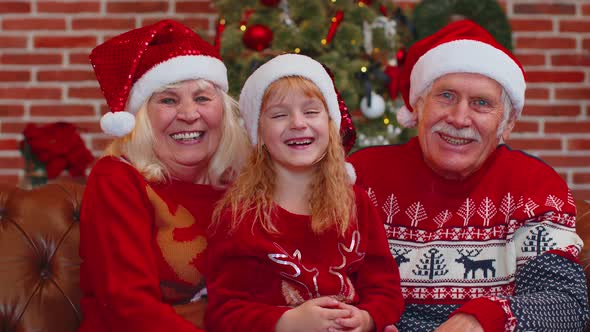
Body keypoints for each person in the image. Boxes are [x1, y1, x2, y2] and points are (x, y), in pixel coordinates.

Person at [348, 19, 589, 332]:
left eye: (481, 103)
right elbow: (309, 275)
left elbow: (565, 304)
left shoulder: (533, 187)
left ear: (508, 122)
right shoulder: (361, 176)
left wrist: (483, 320)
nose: (460, 118)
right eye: (446, 96)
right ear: (418, 105)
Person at [204, 53, 404, 332]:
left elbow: (386, 290)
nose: (298, 123)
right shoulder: (239, 216)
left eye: (311, 112)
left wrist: (367, 318)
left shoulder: (356, 203)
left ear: (331, 126)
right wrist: (287, 322)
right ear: (258, 132)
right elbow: (224, 312)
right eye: (279, 114)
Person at [79, 20, 249, 331]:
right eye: (168, 100)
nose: (188, 114)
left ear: (223, 111)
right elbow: (127, 305)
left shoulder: (243, 183)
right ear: (141, 118)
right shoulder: (118, 177)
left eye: (202, 98)